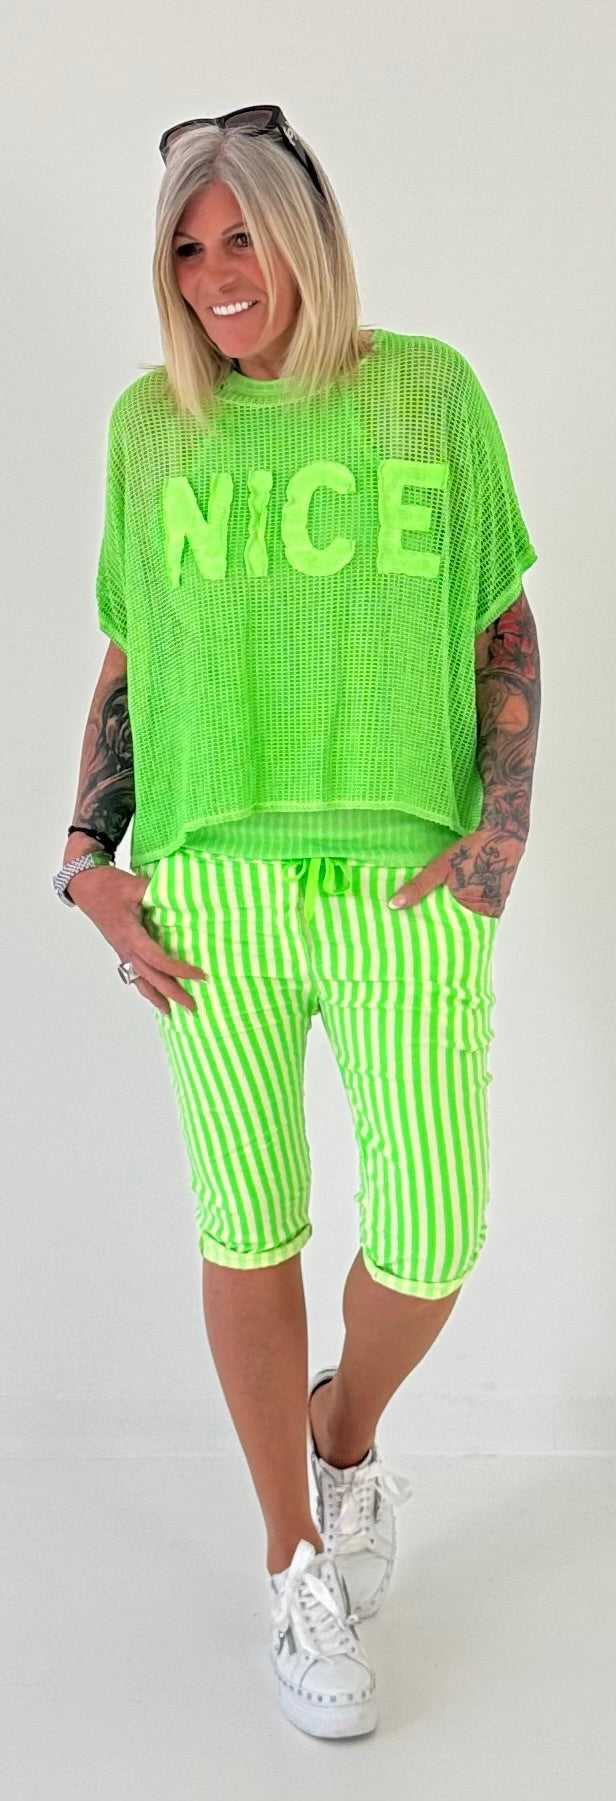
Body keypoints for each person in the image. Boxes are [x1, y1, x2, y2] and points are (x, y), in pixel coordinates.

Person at [53, 106, 541, 1742]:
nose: (215, 275)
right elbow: (134, 653)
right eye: (188, 250)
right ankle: (292, 1563)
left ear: (306, 231)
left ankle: (342, 1436)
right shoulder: (151, 427)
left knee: (436, 1227)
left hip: (404, 881)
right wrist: (85, 853)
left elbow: (502, 625)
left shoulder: (430, 391)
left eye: (241, 236)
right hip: (212, 893)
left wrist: (498, 838)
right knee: (247, 1220)